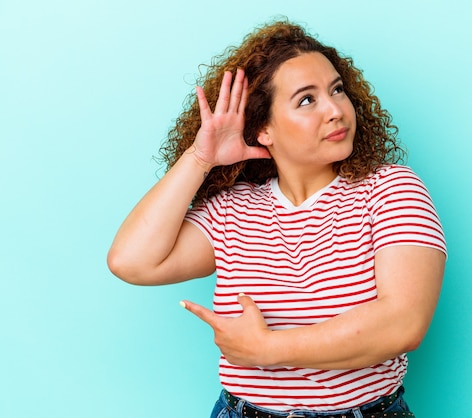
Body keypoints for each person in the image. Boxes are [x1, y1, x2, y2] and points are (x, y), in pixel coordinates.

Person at [108, 19, 446, 417]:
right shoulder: (231, 210)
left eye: (337, 90)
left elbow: (404, 323)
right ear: (264, 128)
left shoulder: (390, 189)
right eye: (307, 100)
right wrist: (200, 159)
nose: (336, 110)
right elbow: (131, 261)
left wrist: (268, 350)